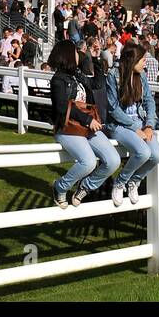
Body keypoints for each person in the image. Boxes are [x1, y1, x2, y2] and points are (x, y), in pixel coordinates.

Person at [49, 40, 120, 208]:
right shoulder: (58, 80)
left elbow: (98, 84)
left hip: (87, 126)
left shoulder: (78, 74)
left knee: (113, 160)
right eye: (75, 51)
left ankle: (85, 187)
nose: (78, 54)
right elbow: (62, 107)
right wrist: (88, 120)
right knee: (88, 162)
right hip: (68, 129)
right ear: (67, 54)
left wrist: (95, 59)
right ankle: (60, 187)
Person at [105, 43, 159, 207]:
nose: (146, 62)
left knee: (156, 155)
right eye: (143, 59)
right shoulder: (113, 75)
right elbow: (113, 109)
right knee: (143, 152)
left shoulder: (141, 75)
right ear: (133, 60)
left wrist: (149, 125)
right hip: (119, 125)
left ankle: (134, 181)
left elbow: (149, 101)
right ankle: (119, 182)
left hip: (140, 123)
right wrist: (135, 128)